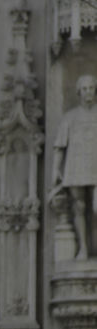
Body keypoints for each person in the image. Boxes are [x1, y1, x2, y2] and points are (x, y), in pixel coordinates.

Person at [52, 74, 97, 260]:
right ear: (79, 92)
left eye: (91, 88)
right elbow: (59, 146)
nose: (88, 92)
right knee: (79, 207)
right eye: (85, 89)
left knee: (96, 207)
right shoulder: (70, 117)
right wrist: (55, 170)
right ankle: (84, 248)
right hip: (77, 165)